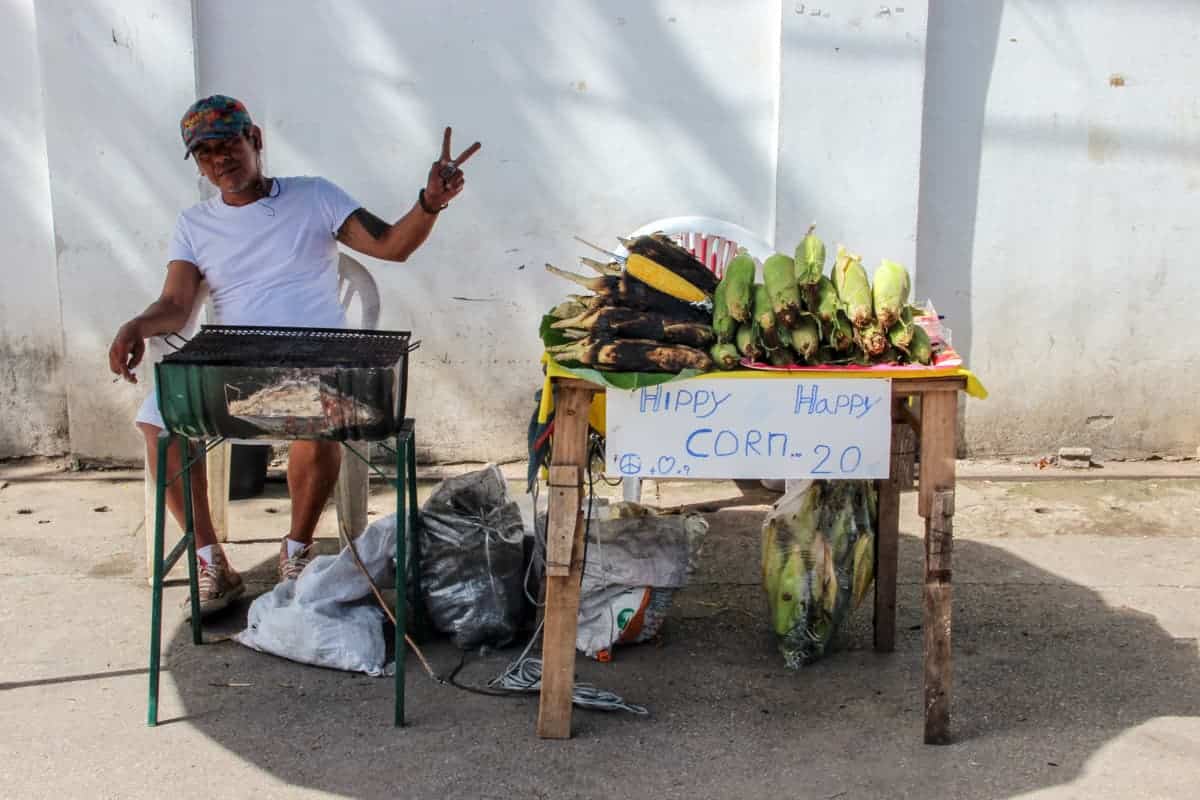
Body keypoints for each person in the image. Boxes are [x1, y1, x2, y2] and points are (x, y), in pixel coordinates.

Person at [108, 95, 480, 616]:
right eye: (205, 153)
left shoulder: (315, 197)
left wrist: (430, 202)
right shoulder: (194, 224)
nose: (220, 160)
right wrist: (135, 326)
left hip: (317, 355)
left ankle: (297, 552)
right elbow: (175, 304)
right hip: (235, 362)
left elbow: (393, 246)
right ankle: (213, 561)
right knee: (157, 422)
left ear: (255, 139)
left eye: (229, 144)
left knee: (318, 418)